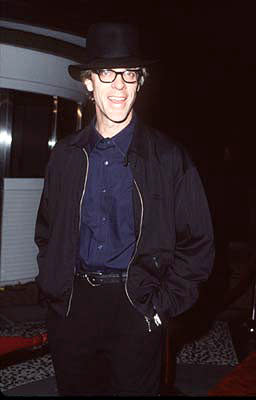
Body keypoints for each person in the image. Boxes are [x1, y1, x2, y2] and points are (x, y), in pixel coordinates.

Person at [34, 22, 215, 396]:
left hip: (137, 306)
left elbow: (198, 245)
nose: (119, 85)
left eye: (129, 74)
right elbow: (46, 231)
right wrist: (54, 291)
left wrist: (160, 307)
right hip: (73, 307)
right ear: (89, 82)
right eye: (107, 72)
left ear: (140, 81)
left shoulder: (169, 159)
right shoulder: (65, 157)